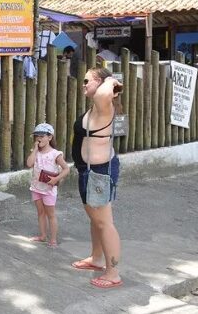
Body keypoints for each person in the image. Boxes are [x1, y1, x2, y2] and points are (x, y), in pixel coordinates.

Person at [71, 66, 123, 289]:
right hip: (88, 171)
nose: (83, 85)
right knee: (96, 220)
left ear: (101, 84)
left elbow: (103, 93)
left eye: (87, 81)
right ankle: (97, 259)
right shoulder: (95, 107)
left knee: (104, 223)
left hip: (99, 172)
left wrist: (110, 81)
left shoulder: (104, 105)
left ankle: (113, 273)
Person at [25, 123, 70, 248]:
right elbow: (29, 164)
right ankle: (43, 236)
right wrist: (34, 149)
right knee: (40, 213)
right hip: (36, 187)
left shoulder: (55, 154)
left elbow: (66, 169)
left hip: (49, 189)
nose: (38, 138)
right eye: (36, 136)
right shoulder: (36, 152)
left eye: (42, 136)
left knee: (51, 214)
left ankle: (53, 239)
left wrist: (56, 179)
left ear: (50, 137)